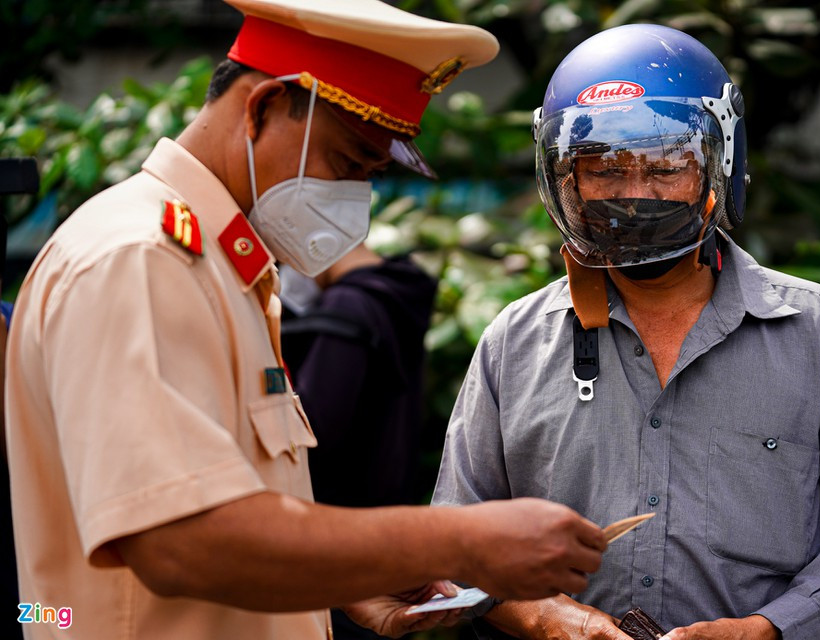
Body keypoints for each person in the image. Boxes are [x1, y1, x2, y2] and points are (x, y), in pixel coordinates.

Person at [3, 1, 609, 638]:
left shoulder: (221, 267)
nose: (355, 198)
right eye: (348, 163)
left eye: (371, 175)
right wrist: (456, 539)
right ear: (263, 108)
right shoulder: (140, 259)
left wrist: (344, 581)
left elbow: (238, 521)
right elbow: (179, 543)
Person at [432, 23, 820, 640]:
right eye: (604, 169)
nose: (635, 195)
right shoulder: (515, 344)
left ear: (718, 167)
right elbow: (457, 539)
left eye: (667, 166)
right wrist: (545, 616)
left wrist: (771, 629)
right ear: (565, 181)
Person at [280, 244, 436, 508]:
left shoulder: (348, 303)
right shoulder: (394, 290)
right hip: (388, 495)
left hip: (345, 511)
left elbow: (312, 427)